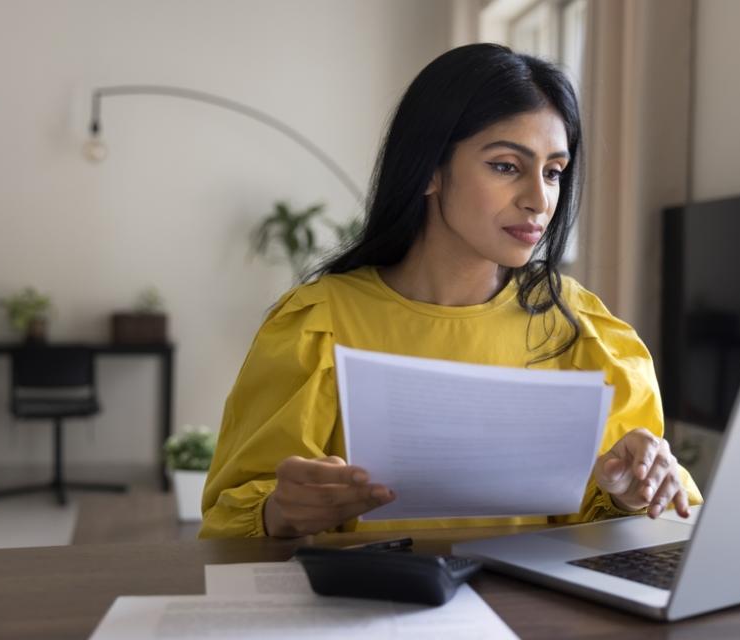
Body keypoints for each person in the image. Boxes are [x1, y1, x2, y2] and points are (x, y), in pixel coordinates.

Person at [199, 43, 703, 540]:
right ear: (430, 170)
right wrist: (282, 511)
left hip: (532, 618)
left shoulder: (583, 330)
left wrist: (631, 493)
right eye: (507, 165)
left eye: (553, 172)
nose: (539, 199)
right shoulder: (316, 323)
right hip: (365, 615)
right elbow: (230, 518)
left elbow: (649, 527)